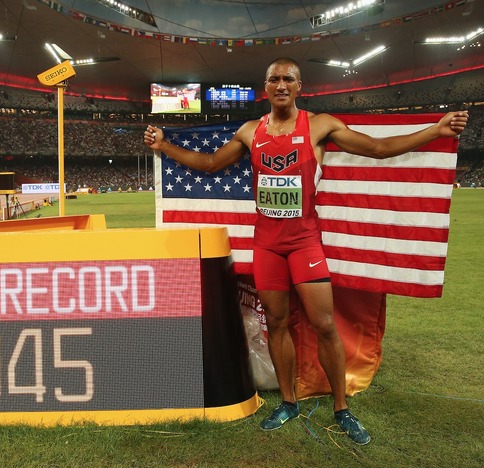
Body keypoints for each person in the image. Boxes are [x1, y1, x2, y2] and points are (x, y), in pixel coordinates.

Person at [143, 57, 468, 445]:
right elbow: (211, 163)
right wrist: (165, 145)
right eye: (274, 78)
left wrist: (435, 130)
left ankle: (342, 409)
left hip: (304, 243)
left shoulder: (319, 125)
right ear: (265, 86)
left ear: (300, 86)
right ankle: (288, 402)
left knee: (325, 325)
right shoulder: (251, 131)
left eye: (288, 79)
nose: (281, 84)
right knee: (277, 324)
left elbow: (379, 149)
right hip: (267, 245)